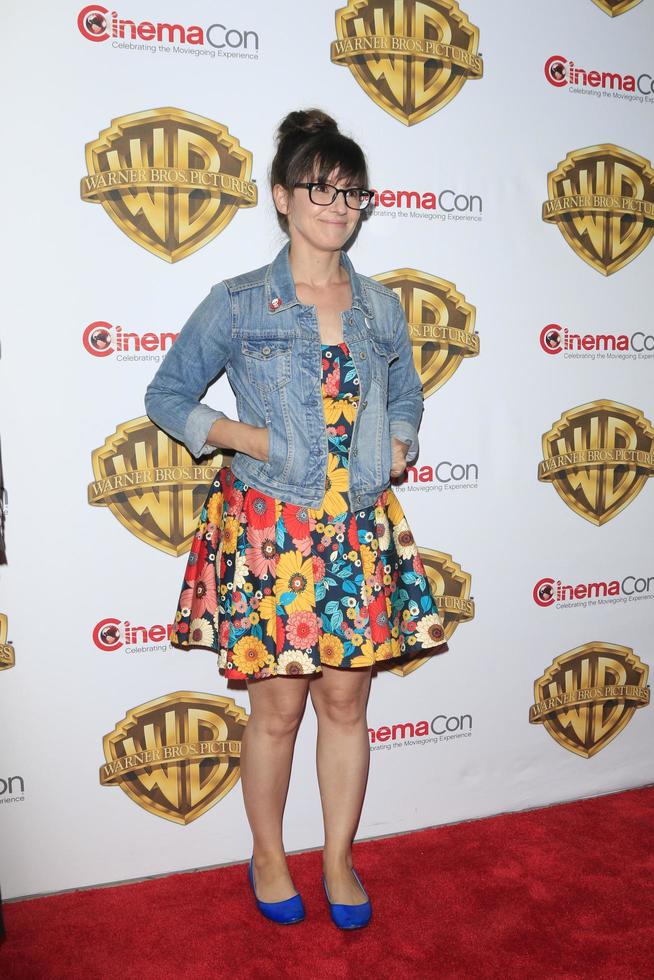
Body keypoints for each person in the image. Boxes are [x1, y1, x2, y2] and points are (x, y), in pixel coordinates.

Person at [145, 108, 448, 929]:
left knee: (346, 704)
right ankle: (269, 854)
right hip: (271, 527)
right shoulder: (238, 302)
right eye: (320, 186)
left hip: (355, 529)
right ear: (282, 197)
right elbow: (167, 397)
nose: (337, 202)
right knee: (277, 710)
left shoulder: (381, 305)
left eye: (352, 191)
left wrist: (404, 439)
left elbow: (409, 391)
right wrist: (252, 438)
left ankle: (341, 859)